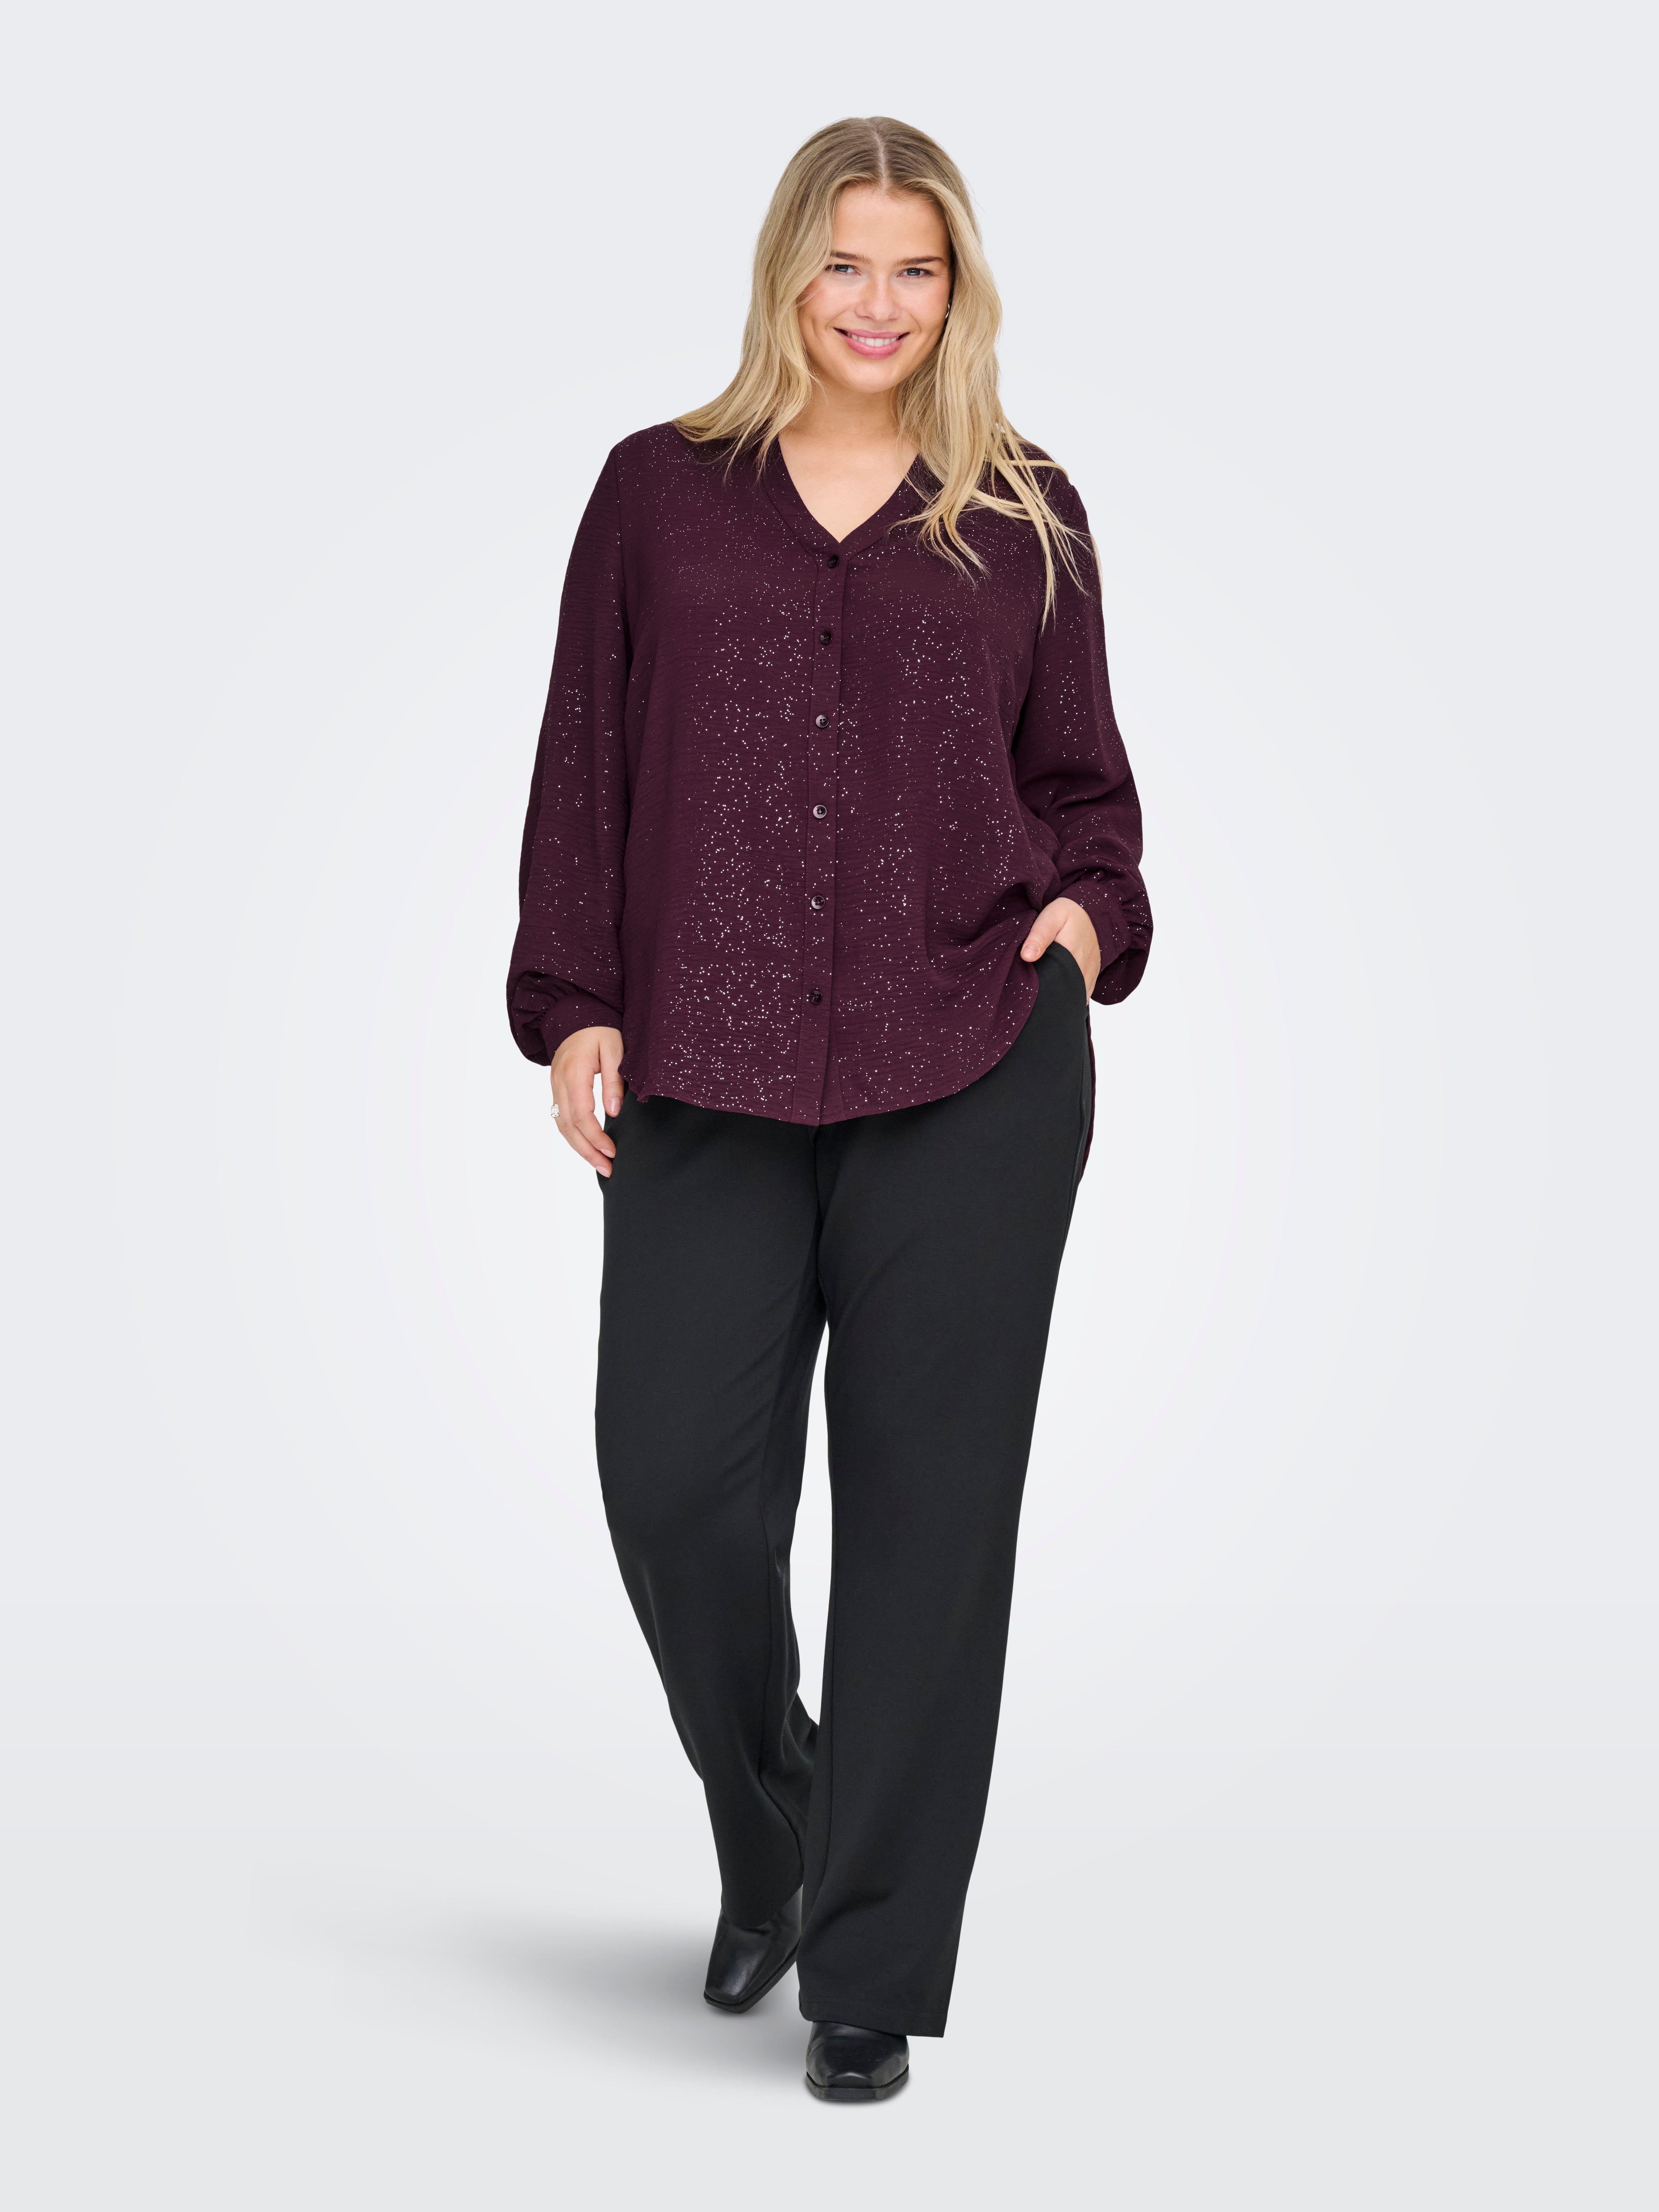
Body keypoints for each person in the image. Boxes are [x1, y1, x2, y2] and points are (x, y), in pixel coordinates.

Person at [506, 115, 1151, 2102]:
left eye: (916, 269)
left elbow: (1087, 789)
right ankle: (772, 1811)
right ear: (787, 272)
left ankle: (869, 1968)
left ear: (958, 292)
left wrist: (1082, 921)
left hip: (969, 1060)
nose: (878, 304)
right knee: (674, 1484)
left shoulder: (1024, 510)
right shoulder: (657, 494)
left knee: (928, 1523)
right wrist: (575, 1002)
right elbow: (583, 761)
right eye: (844, 264)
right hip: (701, 1063)